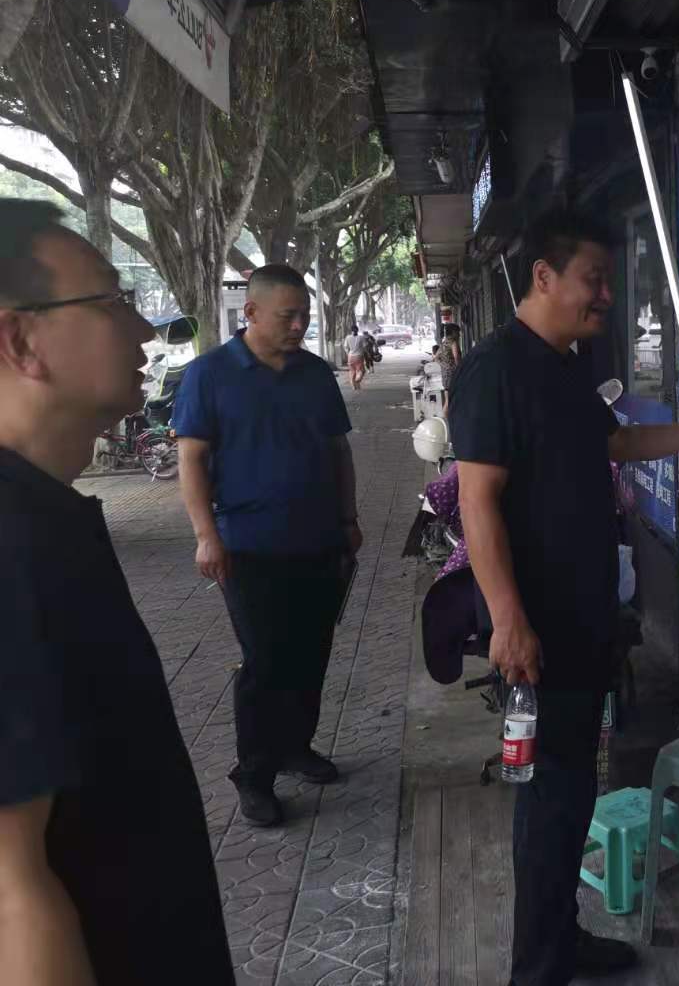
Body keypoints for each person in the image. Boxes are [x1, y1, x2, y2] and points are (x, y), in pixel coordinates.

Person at [449, 209, 679, 986]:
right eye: (594, 279)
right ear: (544, 277)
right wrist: (508, 620)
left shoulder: (564, 365)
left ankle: (561, 937)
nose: (607, 296)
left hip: (582, 621)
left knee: (571, 787)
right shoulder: (494, 371)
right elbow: (477, 502)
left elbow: (616, 442)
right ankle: (538, 969)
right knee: (546, 794)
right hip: (536, 632)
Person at [0, 200, 233, 982]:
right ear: (19, 340)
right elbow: (10, 893)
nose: (143, 330)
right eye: (110, 301)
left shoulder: (43, 514)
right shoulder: (8, 543)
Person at [173, 264, 362, 827]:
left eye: (304, 315)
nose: (299, 325)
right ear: (251, 313)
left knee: (312, 650)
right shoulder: (210, 374)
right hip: (248, 548)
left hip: (319, 540)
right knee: (266, 660)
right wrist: (205, 537)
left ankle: (295, 746)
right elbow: (191, 459)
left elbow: (339, 452)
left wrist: (348, 518)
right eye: (288, 316)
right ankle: (254, 775)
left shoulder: (315, 373)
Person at [435, 323, 460, 412]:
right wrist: (459, 369)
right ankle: (448, 418)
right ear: (453, 332)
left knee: (448, 400)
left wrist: (445, 366)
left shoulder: (444, 342)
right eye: (457, 332)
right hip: (453, 375)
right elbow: (456, 357)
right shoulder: (453, 342)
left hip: (445, 376)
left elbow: (436, 357)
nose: (459, 334)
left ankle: (449, 418)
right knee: (451, 401)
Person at [344, 324, 368, 390]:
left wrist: (348, 354)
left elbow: (346, 347)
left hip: (350, 356)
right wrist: (366, 353)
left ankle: (353, 386)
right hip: (359, 356)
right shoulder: (361, 337)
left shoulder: (348, 337)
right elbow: (365, 347)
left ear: (351, 330)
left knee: (352, 371)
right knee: (361, 370)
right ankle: (357, 380)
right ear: (357, 330)